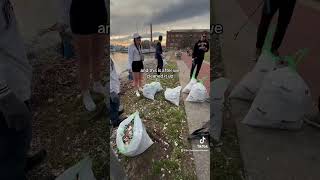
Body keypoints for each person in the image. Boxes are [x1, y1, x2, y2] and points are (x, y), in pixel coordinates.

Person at [0, 0, 46, 179]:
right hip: (7, 93)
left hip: (14, 81)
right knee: (10, 140)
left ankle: (19, 162)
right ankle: (13, 170)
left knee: (18, 138)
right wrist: (4, 96)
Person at [52, 0, 108, 111]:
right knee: (84, 58)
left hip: (100, 11)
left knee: (98, 53)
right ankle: (85, 92)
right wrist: (63, 21)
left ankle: (97, 83)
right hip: (80, 13)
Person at [110, 58, 125, 127]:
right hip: (111, 89)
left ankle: (116, 113)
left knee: (116, 103)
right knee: (113, 104)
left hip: (114, 86)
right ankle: (115, 121)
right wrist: (111, 91)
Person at [128, 33, 144, 97]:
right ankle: (136, 90)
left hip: (140, 63)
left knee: (141, 77)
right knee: (136, 79)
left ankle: (140, 87)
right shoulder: (131, 46)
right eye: (138, 38)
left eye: (140, 38)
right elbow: (130, 58)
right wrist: (130, 67)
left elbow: (140, 54)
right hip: (135, 64)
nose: (139, 39)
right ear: (135, 39)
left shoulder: (140, 46)